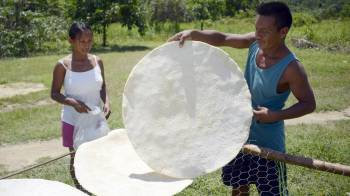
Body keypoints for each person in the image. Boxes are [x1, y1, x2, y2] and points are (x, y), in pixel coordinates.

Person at [168, 1, 316, 195]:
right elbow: (224, 37)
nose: (258, 34)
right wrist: (193, 33)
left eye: (264, 31)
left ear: (283, 32)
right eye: (256, 29)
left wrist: (273, 115)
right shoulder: (255, 43)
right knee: (238, 189)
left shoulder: (292, 68)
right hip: (238, 134)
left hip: (269, 144)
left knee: (272, 192)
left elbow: (309, 104)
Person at [50, 22, 111, 192]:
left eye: (90, 41)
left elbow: (103, 86)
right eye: (82, 41)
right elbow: (54, 93)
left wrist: (106, 102)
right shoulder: (62, 66)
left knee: (98, 155)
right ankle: (81, 191)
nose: (87, 45)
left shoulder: (98, 61)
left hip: (95, 119)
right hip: (72, 120)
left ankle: (98, 188)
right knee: (76, 157)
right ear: (71, 40)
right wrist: (73, 103)